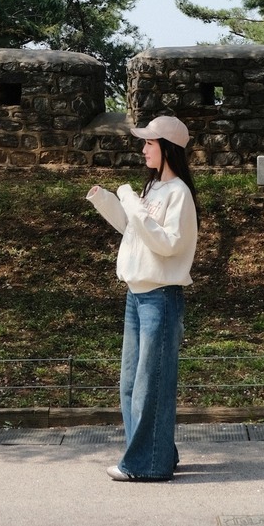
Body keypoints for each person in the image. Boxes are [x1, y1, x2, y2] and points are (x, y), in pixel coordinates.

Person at [87, 114, 198, 482]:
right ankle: (157, 452)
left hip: (160, 297)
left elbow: (166, 244)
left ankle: (146, 463)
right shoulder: (153, 190)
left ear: (168, 148)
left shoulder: (179, 193)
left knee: (150, 383)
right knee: (131, 384)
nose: (144, 149)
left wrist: (131, 200)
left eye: (150, 143)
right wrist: (108, 200)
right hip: (138, 296)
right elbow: (135, 229)